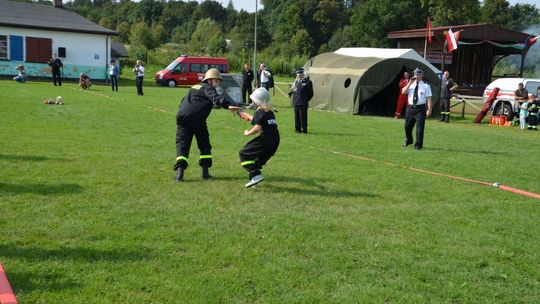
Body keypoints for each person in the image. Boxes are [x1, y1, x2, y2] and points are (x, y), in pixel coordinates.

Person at [173, 68, 241, 182]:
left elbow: (186, 101)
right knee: (204, 145)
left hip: (182, 118)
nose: (218, 84)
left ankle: (179, 175)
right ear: (209, 80)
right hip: (197, 120)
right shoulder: (207, 87)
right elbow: (216, 98)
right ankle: (205, 174)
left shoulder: (195, 87)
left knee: (182, 145)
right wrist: (228, 106)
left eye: (218, 82)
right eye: (216, 81)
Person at [239, 88, 280, 188]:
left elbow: (257, 127)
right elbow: (262, 121)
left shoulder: (260, 111)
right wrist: (249, 117)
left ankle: (256, 175)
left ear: (256, 101)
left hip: (265, 139)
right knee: (256, 159)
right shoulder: (269, 111)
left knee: (244, 154)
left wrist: (248, 133)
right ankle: (253, 181)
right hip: (275, 140)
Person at [402, 68, 433, 150]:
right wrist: (409, 83)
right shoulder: (410, 84)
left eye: (418, 74)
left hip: (420, 109)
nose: (416, 76)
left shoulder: (426, 86)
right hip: (410, 108)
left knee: (420, 128)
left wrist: (429, 109)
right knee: (407, 127)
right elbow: (403, 92)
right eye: (415, 74)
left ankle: (418, 146)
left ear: (422, 75)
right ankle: (409, 140)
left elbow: (429, 98)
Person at [290, 68, 313, 133]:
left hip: (303, 102)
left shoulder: (307, 82)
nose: (298, 77)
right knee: (296, 118)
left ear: (303, 75)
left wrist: (305, 99)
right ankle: (297, 130)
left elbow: (311, 93)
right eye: (297, 76)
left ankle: (304, 130)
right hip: (296, 102)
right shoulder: (296, 82)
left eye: (299, 75)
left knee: (303, 118)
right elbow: (293, 91)